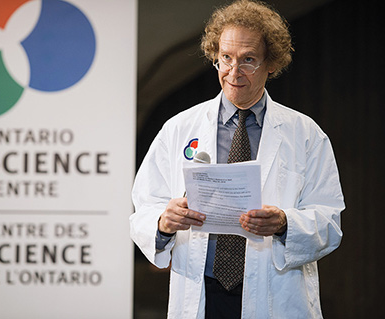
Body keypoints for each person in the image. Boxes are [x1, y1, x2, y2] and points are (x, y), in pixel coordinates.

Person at [130, 0, 345, 318]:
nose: (233, 72)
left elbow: (329, 222)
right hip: (201, 293)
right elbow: (143, 209)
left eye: (248, 60)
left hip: (273, 293)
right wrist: (163, 222)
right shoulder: (179, 128)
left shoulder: (306, 135)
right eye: (226, 58)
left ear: (271, 63)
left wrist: (285, 224)